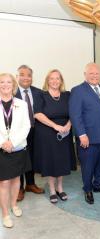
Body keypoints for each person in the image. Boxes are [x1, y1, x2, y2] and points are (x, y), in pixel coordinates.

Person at [69, 63, 100, 204]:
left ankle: (98, 185)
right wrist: (81, 134)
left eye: (96, 73)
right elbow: (75, 115)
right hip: (88, 138)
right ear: (85, 74)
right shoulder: (77, 90)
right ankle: (88, 189)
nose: (94, 76)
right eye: (91, 73)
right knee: (88, 166)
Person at [33, 69, 76, 203]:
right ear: (47, 81)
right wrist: (55, 126)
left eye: (57, 78)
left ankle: (60, 187)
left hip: (64, 133)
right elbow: (37, 114)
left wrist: (68, 125)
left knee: (62, 161)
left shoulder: (67, 95)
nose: (55, 81)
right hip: (47, 133)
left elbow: (74, 112)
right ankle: (52, 189)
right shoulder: (41, 95)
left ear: (61, 81)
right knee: (50, 161)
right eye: (52, 78)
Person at [0, 73, 31, 228]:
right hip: (1, 149)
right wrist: (3, 143)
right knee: (4, 181)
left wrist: (13, 142)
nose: (5, 85)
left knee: (16, 179)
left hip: (18, 147)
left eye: (8, 82)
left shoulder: (21, 103)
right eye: (2, 82)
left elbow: (26, 126)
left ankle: (14, 205)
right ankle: (5, 214)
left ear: (13, 85)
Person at [15, 65, 45, 201]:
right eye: (22, 74)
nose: (26, 77)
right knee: (20, 159)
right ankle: (19, 188)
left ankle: (31, 184)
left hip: (35, 131)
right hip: (18, 133)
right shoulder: (12, 92)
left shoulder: (39, 92)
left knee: (32, 158)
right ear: (17, 77)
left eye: (29, 75)